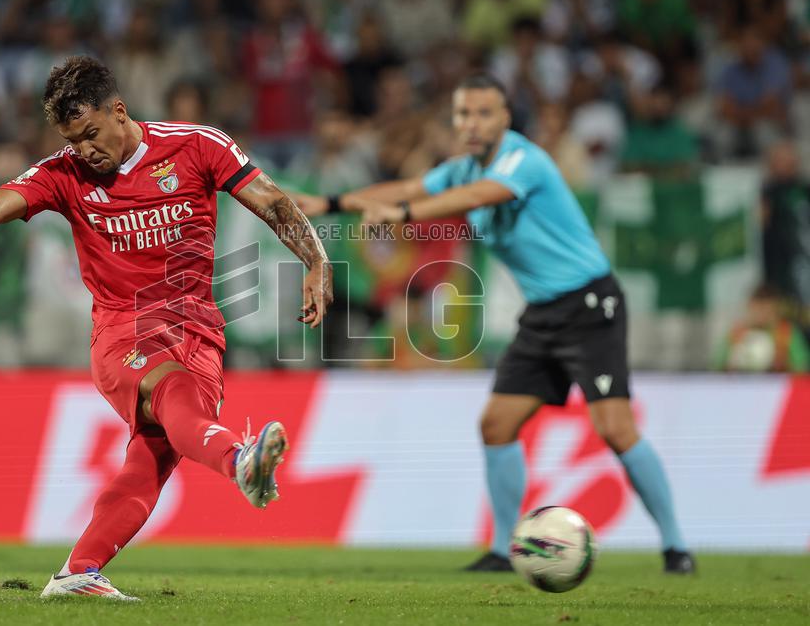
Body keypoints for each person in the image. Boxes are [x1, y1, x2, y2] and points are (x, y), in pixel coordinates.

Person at [0, 56, 333, 600]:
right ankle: (240, 461)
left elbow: (273, 202)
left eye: (91, 133)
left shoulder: (197, 145)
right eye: (72, 138)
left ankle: (78, 571)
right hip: (123, 332)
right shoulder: (64, 173)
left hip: (198, 330)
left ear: (119, 111)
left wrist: (316, 261)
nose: (85, 149)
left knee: (153, 457)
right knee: (174, 396)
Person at [295, 74, 695, 575]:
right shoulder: (460, 169)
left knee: (615, 429)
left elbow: (475, 198)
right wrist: (330, 203)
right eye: (464, 114)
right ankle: (505, 551)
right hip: (544, 314)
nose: (472, 123)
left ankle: (676, 547)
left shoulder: (522, 161)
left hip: (590, 305)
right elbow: (406, 185)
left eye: (484, 113)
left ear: (505, 118)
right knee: (497, 424)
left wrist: (401, 213)